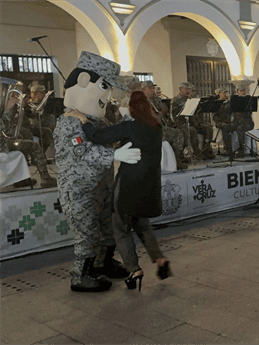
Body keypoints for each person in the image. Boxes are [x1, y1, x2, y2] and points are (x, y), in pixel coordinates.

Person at [66, 91, 172, 291]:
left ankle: (134, 270)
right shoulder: (156, 128)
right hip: (149, 187)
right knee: (143, 226)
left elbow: (98, 136)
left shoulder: (129, 127)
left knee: (121, 230)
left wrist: (82, 119)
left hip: (128, 187)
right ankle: (160, 259)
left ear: (131, 109)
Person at [54, 51, 141, 292]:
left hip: (101, 187)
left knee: (108, 228)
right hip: (79, 189)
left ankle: (103, 264)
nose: (107, 96)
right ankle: (80, 276)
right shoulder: (70, 122)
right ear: (83, 81)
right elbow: (82, 152)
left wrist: (126, 124)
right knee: (87, 233)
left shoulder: (95, 121)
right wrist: (115, 155)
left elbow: (109, 137)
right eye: (104, 87)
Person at [1, 91, 57, 188]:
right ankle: (45, 178)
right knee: (33, 145)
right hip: (2, 145)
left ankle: (22, 179)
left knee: (23, 140)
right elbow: (4, 127)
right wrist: (8, 109)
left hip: (3, 142)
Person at [142, 80, 187, 169]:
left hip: (157, 127)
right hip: (151, 130)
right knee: (178, 133)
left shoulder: (152, 100)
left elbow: (161, 115)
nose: (153, 90)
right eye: (150, 88)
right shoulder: (143, 102)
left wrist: (164, 111)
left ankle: (174, 158)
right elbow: (154, 119)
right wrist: (162, 113)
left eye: (153, 88)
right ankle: (177, 160)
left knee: (176, 130)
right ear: (143, 90)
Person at [172, 82, 201, 159]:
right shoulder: (176, 100)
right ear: (180, 89)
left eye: (189, 89)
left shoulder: (189, 99)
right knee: (192, 130)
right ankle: (196, 151)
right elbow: (174, 115)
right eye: (186, 89)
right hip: (180, 123)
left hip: (190, 121)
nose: (188, 91)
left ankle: (207, 149)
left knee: (207, 128)